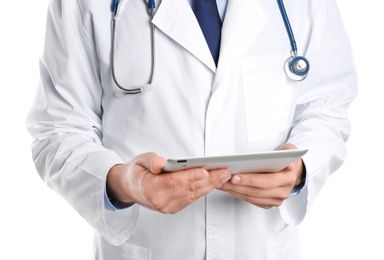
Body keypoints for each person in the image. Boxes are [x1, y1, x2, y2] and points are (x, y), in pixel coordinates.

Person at [26, 0, 357, 259]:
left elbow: (327, 107)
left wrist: (298, 171)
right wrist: (122, 183)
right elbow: (57, 130)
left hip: (260, 247)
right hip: (149, 248)